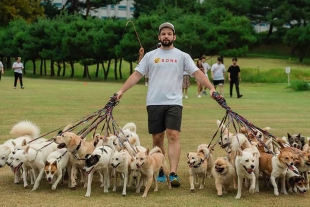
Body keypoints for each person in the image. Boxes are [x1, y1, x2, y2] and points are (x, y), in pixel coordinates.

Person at [116, 22, 216, 187]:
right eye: (163, 34)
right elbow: (136, 74)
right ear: (159, 37)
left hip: (174, 102)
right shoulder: (150, 56)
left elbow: (197, 73)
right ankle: (161, 169)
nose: (166, 36)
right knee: (157, 138)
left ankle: (174, 172)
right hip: (154, 102)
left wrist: (211, 88)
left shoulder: (182, 56)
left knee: (173, 135)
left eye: (169, 33)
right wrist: (121, 91)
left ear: (174, 37)